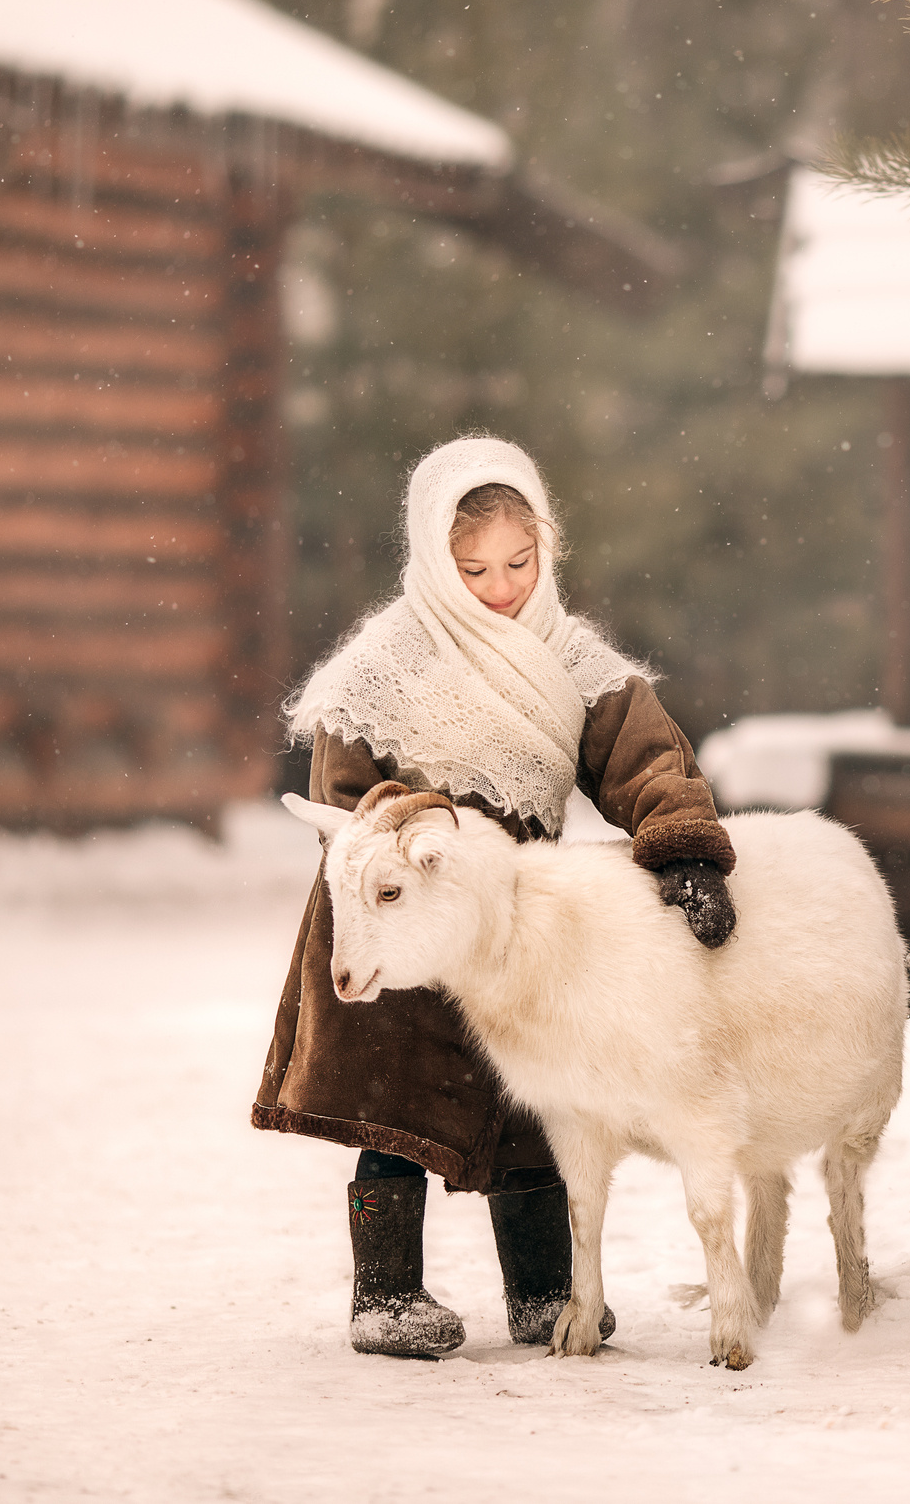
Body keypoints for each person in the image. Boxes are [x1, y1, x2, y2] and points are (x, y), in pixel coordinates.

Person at [252, 435, 737, 1358]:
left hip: (515, 924)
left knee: (537, 1103)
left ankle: (546, 1291)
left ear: (546, 547)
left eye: (519, 562)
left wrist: (682, 847)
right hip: (399, 913)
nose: (501, 586)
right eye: (472, 568)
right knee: (392, 1108)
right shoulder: (387, 662)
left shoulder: (573, 660)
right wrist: (407, 833)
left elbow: (644, 757)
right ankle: (385, 1292)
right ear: (433, 560)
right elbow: (345, 793)